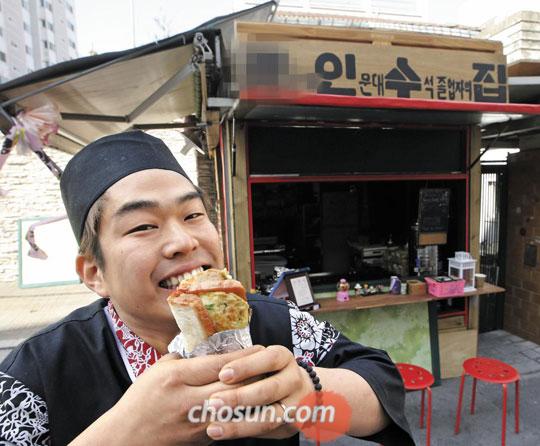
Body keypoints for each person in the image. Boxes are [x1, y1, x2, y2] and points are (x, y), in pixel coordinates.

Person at [0, 131, 415, 445]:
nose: (184, 241)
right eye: (143, 226)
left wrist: (312, 397)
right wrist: (122, 433)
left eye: (194, 215)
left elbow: (383, 390)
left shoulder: (276, 324)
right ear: (94, 273)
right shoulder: (34, 375)